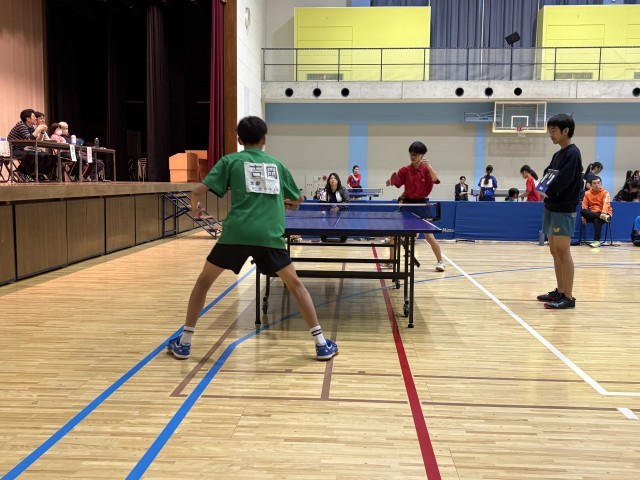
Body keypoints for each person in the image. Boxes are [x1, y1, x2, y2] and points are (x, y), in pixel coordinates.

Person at [167, 116, 338, 361]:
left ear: (239, 139)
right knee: (296, 286)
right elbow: (298, 199)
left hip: (236, 234)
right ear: (264, 139)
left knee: (203, 283)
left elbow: (196, 191)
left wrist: (196, 206)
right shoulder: (277, 165)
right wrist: (287, 202)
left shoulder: (230, 161)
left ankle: (184, 342)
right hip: (269, 235)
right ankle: (321, 344)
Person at [537, 114, 583, 310]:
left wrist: (547, 190)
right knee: (554, 250)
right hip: (551, 206)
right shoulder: (558, 155)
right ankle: (560, 290)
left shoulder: (573, 153)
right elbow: (547, 174)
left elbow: (563, 180)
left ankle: (568, 297)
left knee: (563, 251)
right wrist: (542, 188)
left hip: (564, 208)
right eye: (549, 130)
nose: (550, 134)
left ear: (566, 131)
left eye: (553, 130)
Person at [385, 141, 445, 272]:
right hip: (408, 204)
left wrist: (429, 167)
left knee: (429, 236)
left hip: (422, 204)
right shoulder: (404, 170)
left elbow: (435, 179)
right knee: (394, 235)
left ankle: (440, 262)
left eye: (415, 154)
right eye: (411, 154)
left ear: (422, 155)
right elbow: (398, 182)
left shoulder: (426, 170)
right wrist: (391, 182)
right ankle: (390, 261)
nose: (412, 157)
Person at [6, 108, 55, 179]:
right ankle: (20, 172)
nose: (36, 118)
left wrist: (42, 132)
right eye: (34, 116)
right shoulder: (21, 125)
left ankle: (39, 173)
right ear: (28, 119)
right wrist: (38, 129)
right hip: (12, 149)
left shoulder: (31, 127)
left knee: (49, 156)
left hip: (21, 149)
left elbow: (36, 141)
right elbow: (29, 139)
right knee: (32, 155)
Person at [580, 176, 612, 248]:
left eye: (598, 183)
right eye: (594, 183)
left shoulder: (605, 192)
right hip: (595, 214)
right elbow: (584, 206)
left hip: (605, 213)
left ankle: (596, 241)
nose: (597, 185)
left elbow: (606, 203)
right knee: (582, 212)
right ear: (591, 185)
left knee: (596, 220)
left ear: (601, 184)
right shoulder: (587, 193)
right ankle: (602, 217)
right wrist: (583, 217)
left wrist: (603, 213)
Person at [318, 172, 350, 243]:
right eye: (331, 178)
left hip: (341, 211)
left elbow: (347, 202)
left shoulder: (343, 190)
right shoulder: (325, 191)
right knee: (323, 218)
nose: (333, 179)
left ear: (337, 180)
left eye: (335, 178)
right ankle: (323, 235)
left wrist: (338, 207)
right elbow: (321, 204)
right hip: (328, 211)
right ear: (329, 180)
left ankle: (343, 236)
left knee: (343, 220)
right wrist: (328, 209)